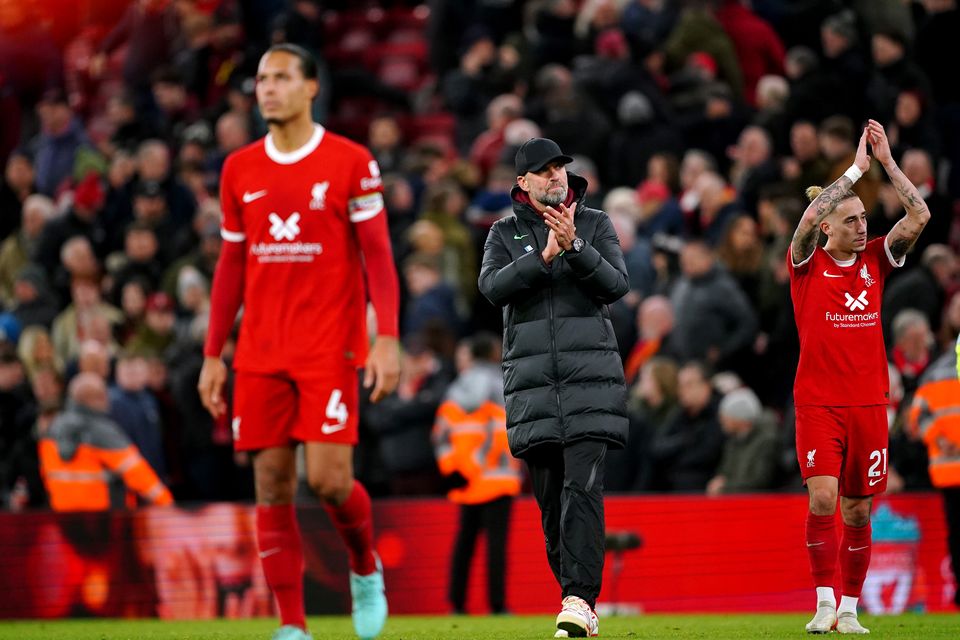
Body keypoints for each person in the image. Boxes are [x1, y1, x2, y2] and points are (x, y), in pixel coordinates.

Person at [197, 44, 400, 640]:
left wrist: (385, 338)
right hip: (260, 351)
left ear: (311, 87)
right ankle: (292, 626)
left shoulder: (351, 161)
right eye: (261, 79)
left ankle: (365, 566)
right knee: (271, 485)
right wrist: (214, 352)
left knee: (331, 480)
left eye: (282, 77)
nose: (267, 88)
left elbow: (380, 257)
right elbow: (231, 264)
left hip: (329, 347)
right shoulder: (238, 168)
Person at [478, 137, 629, 638]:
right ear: (523, 183)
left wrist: (575, 249)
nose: (555, 177)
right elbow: (492, 289)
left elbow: (615, 285)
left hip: (590, 383)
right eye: (543, 171)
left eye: (560, 167)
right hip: (534, 390)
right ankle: (573, 595)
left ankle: (580, 602)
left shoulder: (595, 224)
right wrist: (543, 257)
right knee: (551, 509)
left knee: (581, 491)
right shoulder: (502, 233)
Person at [788, 119, 930, 634]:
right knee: (823, 497)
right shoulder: (805, 264)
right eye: (850, 221)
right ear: (829, 227)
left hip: (870, 402)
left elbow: (920, 214)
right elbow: (807, 217)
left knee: (857, 508)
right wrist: (855, 170)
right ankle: (824, 602)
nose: (861, 227)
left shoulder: (876, 260)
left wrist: (889, 164)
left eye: (864, 218)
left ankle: (849, 610)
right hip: (818, 402)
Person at [432, 333, 521, 615]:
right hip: (498, 476)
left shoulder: (457, 388)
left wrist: (453, 469)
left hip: (466, 477)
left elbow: (441, 433)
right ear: (495, 353)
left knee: (464, 545)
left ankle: (456, 604)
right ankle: (498, 605)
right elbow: (507, 430)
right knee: (497, 546)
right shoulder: (504, 384)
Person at [38, 372, 173, 511]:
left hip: (65, 518)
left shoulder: (53, 430)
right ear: (92, 399)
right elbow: (139, 475)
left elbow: (45, 474)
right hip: (104, 520)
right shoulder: (103, 433)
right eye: (102, 396)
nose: (107, 401)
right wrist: (169, 505)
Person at [906, 344, 960, 608]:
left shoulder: (934, 374)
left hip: (948, 469)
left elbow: (918, 415)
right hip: (950, 470)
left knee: (956, 532)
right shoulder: (936, 374)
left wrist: (938, 438)